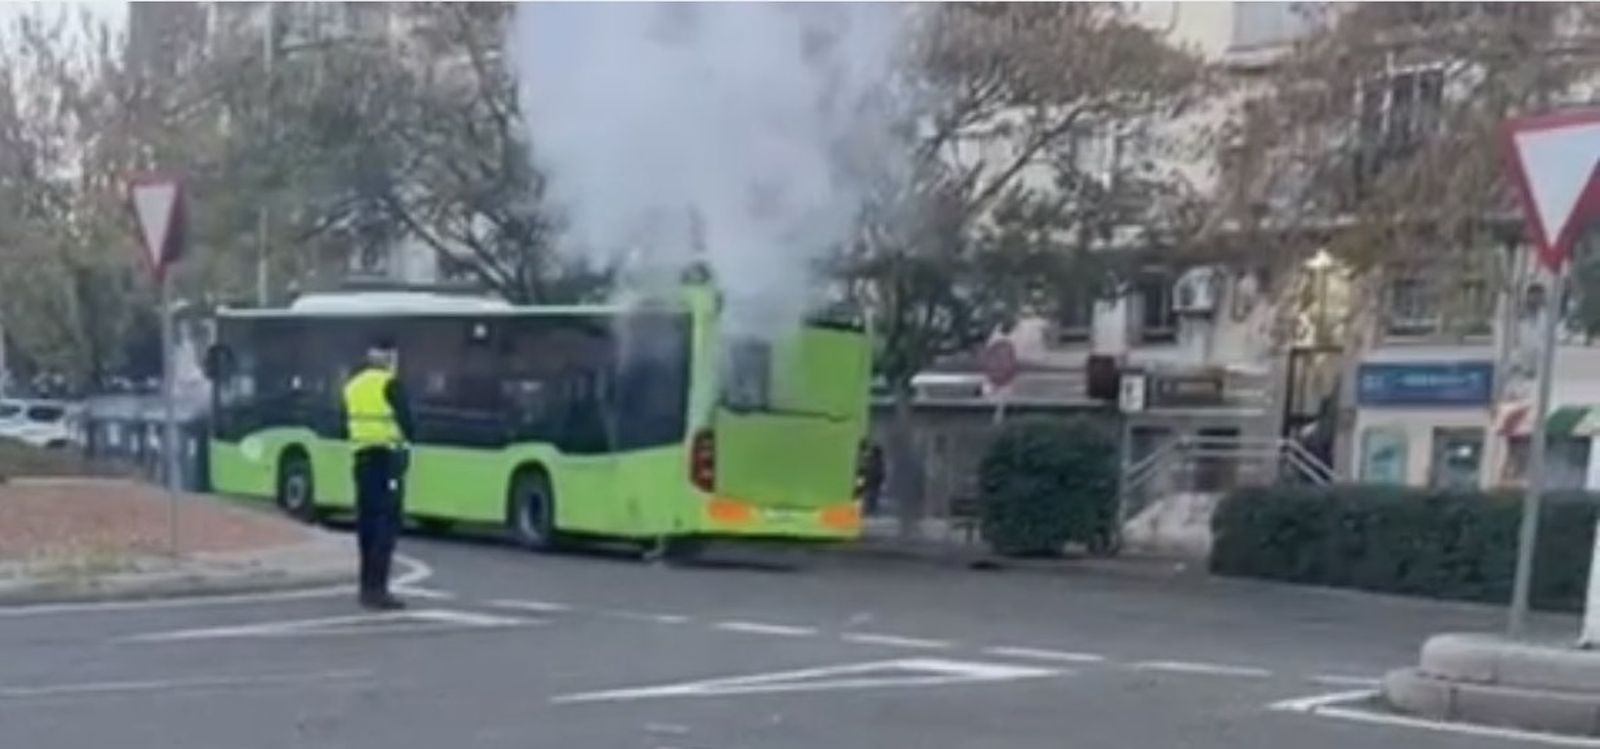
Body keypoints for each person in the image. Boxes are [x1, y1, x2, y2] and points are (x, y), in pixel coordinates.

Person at [342, 337, 415, 610]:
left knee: (367, 524)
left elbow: (344, 421)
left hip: (361, 458)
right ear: (389, 357)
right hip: (387, 459)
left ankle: (366, 587)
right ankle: (379, 589)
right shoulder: (390, 384)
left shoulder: (352, 385)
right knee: (388, 523)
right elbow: (408, 422)